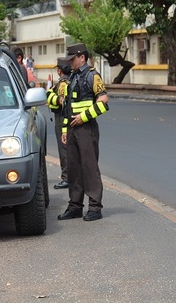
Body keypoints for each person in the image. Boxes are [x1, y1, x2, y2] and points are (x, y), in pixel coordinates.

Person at [57, 43, 109, 222]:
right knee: (74, 169)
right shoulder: (71, 78)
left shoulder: (92, 76)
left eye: (72, 59)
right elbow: (67, 106)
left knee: (89, 168)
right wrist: (65, 129)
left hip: (86, 128)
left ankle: (95, 207)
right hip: (72, 128)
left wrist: (84, 117)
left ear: (82, 57)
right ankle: (75, 206)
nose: (70, 63)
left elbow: (103, 101)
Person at [46, 57, 71, 189]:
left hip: (62, 118)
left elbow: (61, 101)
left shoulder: (62, 84)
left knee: (64, 149)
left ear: (60, 70)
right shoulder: (71, 80)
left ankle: (66, 178)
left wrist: (49, 94)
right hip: (68, 117)